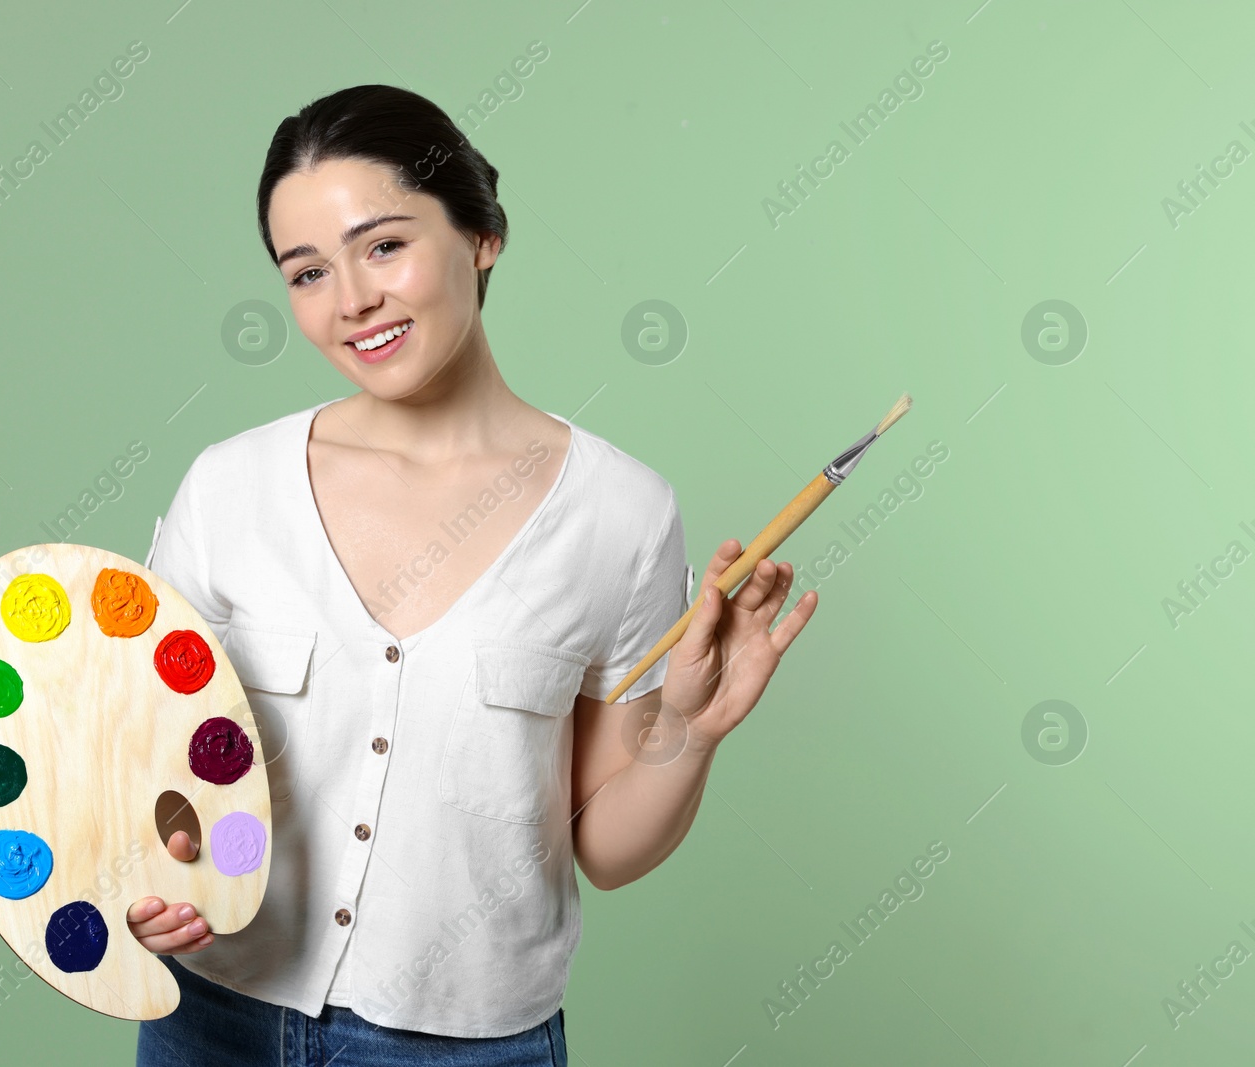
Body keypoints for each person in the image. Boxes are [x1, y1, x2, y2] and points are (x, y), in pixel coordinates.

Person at [129, 84, 817, 1067]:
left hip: (462, 1045)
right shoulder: (228, 487)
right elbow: (156, 770)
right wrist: (158, 862)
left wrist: (691, 732)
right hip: (212, 1019)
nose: (351, 300)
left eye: (383, 246)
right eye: (307, 271)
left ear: (481, 234)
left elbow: (606, 846)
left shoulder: (620, 513)